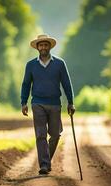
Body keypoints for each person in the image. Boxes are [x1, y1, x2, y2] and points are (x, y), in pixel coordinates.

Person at [21, 34, 75, 175]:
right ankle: (44, 165)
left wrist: (71, 102)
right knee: (41, 135)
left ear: (49, 46)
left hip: (55, 104)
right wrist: (23, 102)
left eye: (45, 45)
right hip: (37, 103)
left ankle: (47, 160)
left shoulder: (59, 63)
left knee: (56, 135)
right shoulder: (31, 65)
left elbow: (66, 83)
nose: (43, 47)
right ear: (37, 47)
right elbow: (26, 84)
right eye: (41, 45)